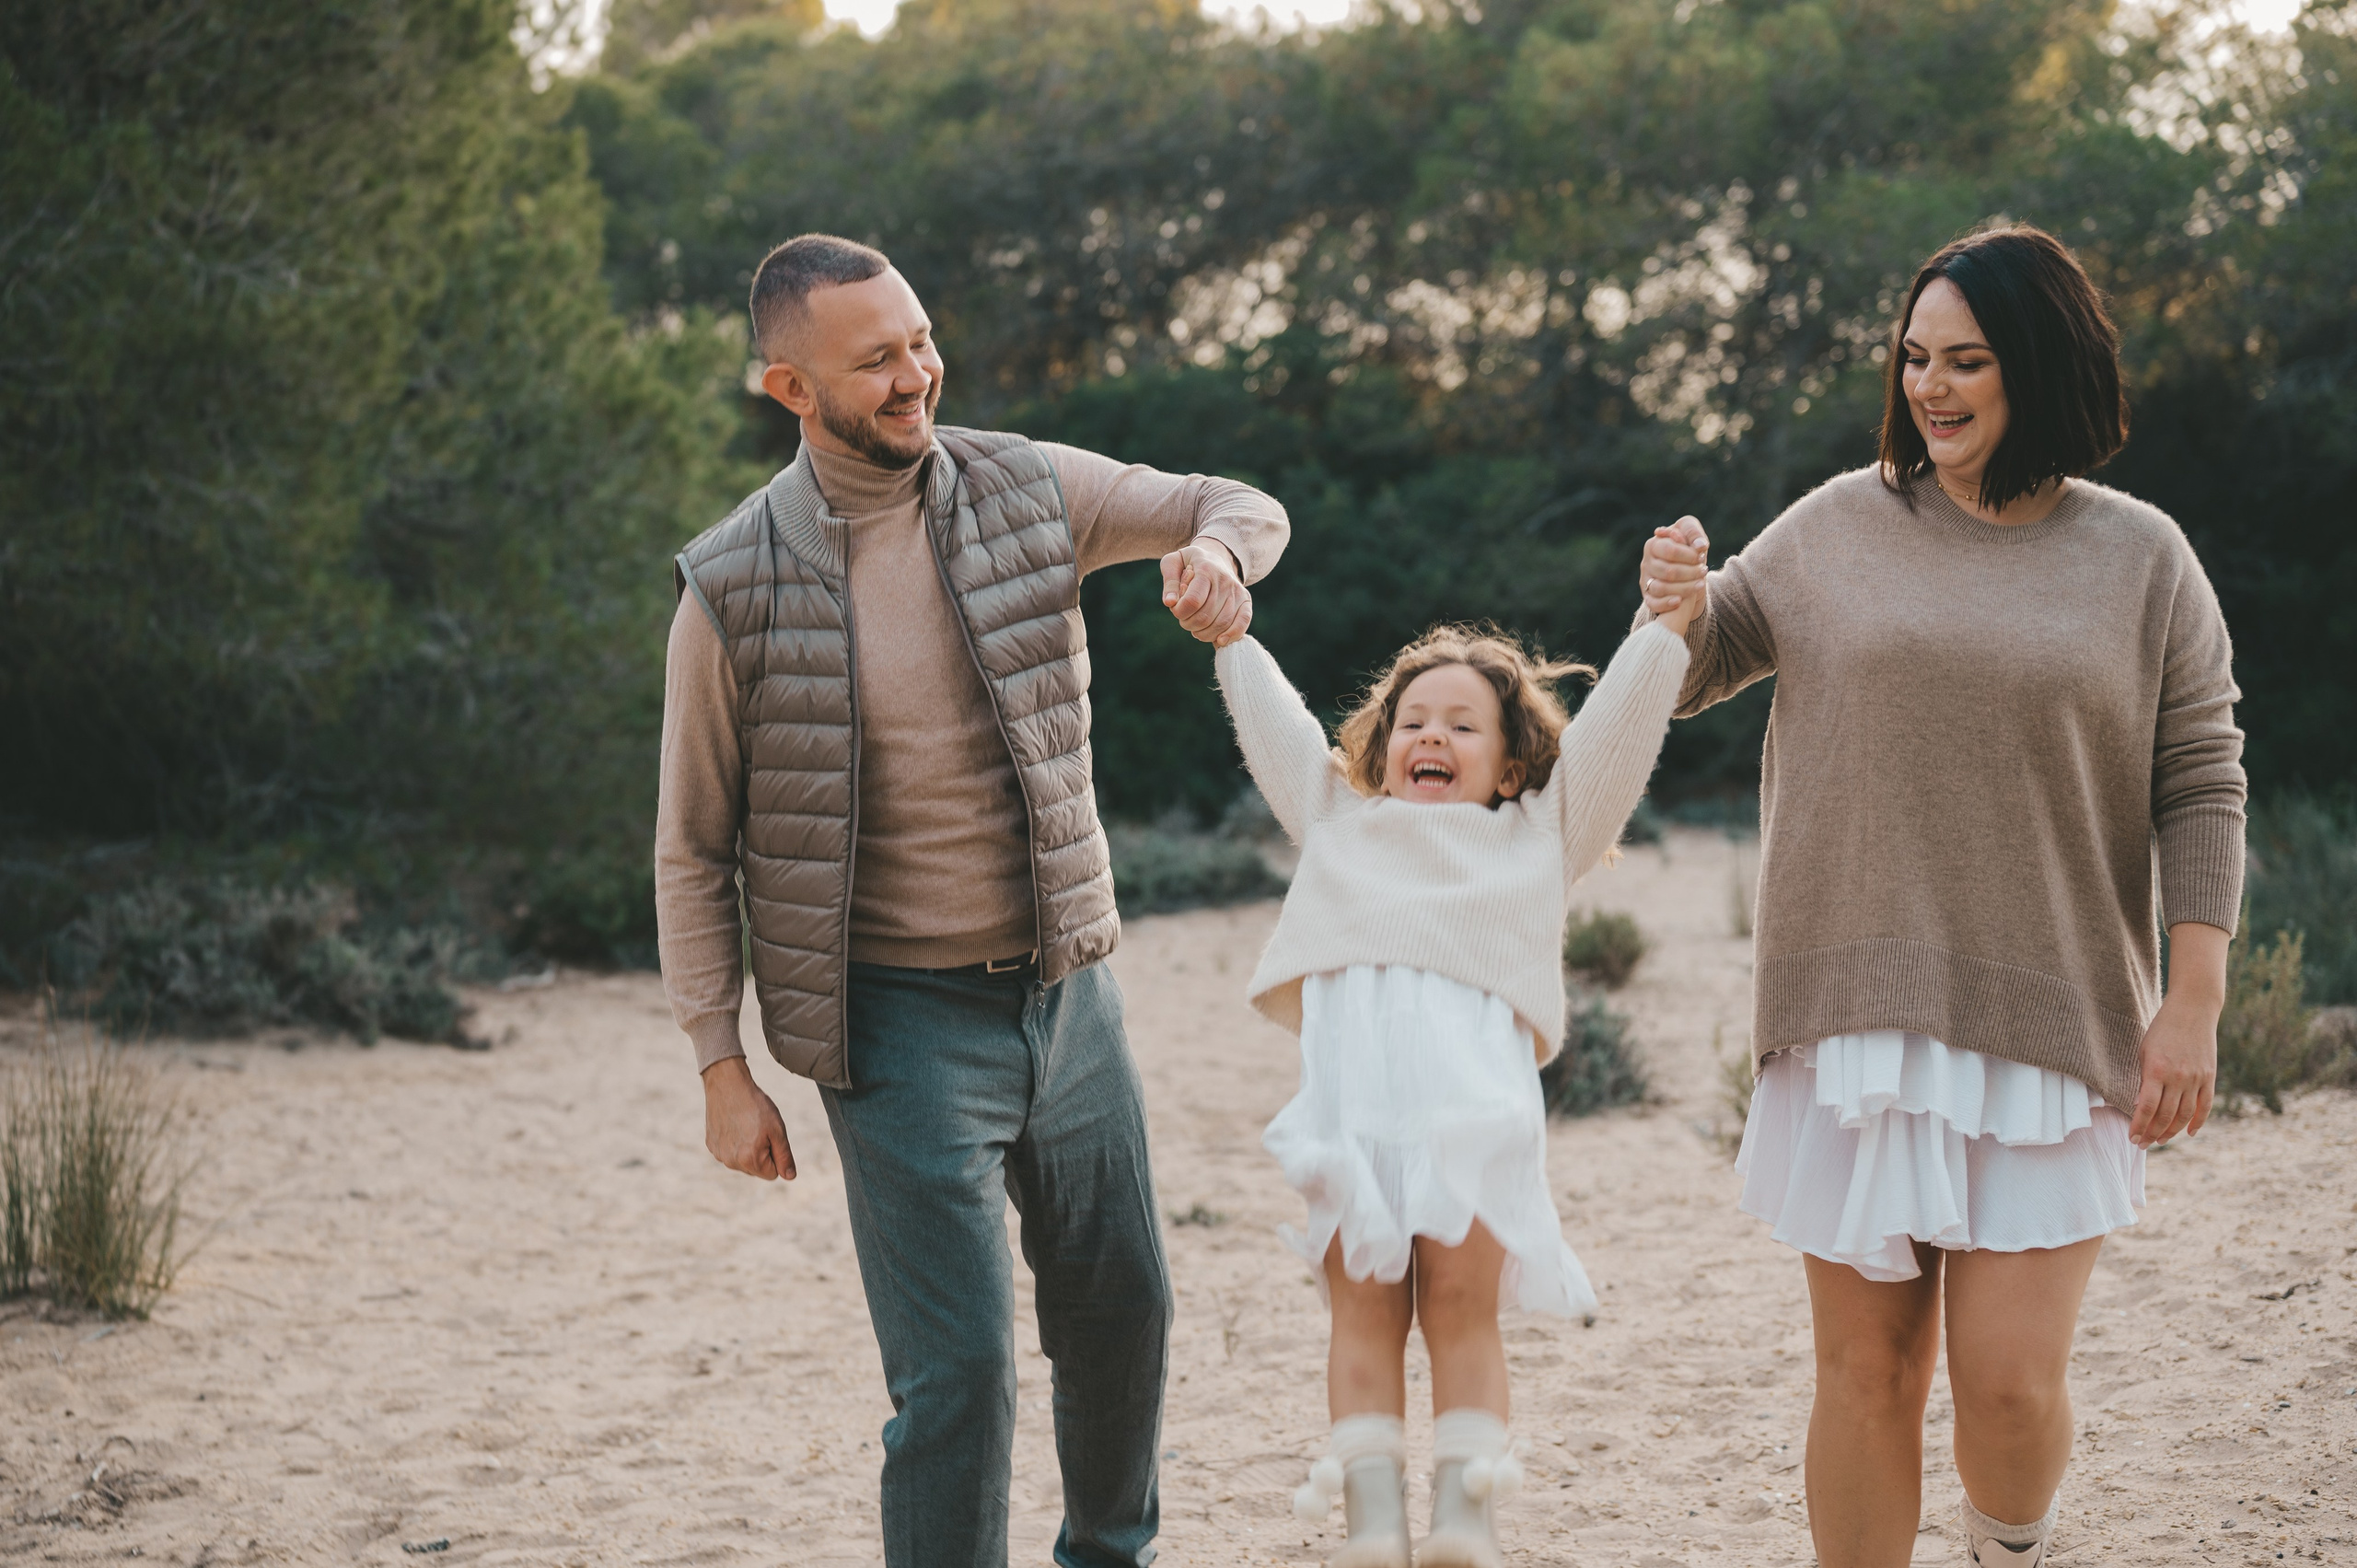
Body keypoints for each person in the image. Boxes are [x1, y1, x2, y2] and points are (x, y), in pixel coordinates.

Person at [656, 234, 1290, 1568]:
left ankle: (1109, 1554)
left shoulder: (1031, 487)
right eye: (874, 359)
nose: (915, 374)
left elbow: (1236, 499)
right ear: (790, 388)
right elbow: (692, 847)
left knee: (1123, 1312)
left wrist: (1223, 559)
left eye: (921, 340)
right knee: (959, 1378)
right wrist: (721, 1062)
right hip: (891, 1027)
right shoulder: (731, 586)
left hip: (1071, 996)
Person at [1635, 225, 2244, 1568]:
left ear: (2040, 364)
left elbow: (2202, 776)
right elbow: (1696, 666)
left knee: (2013, 1386)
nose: (1932, 386)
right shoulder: (1839, 524)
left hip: (2054, 1011)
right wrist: (1670, 609)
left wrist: (2192, 999)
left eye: (1967, 359)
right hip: (1855, 1007)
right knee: (1866, 1374)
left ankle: (2006, 1546)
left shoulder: (2141, 557)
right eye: (1914, 357)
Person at [1208, 594, 1696, 1568]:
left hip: (1472, 1122)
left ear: (1510, 765)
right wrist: (1231, 636)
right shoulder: (1339, 821)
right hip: (1351, 1123)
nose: (1430, 734)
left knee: (1461, 1311)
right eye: (1412, 722)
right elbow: (1278, 728)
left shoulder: (1533, 839)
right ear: (1381, 747)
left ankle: (1464, 1520)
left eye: (1462, 725)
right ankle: (1374, 1527)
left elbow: (1614, 736)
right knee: (1361, 1314)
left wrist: (1663, 626)